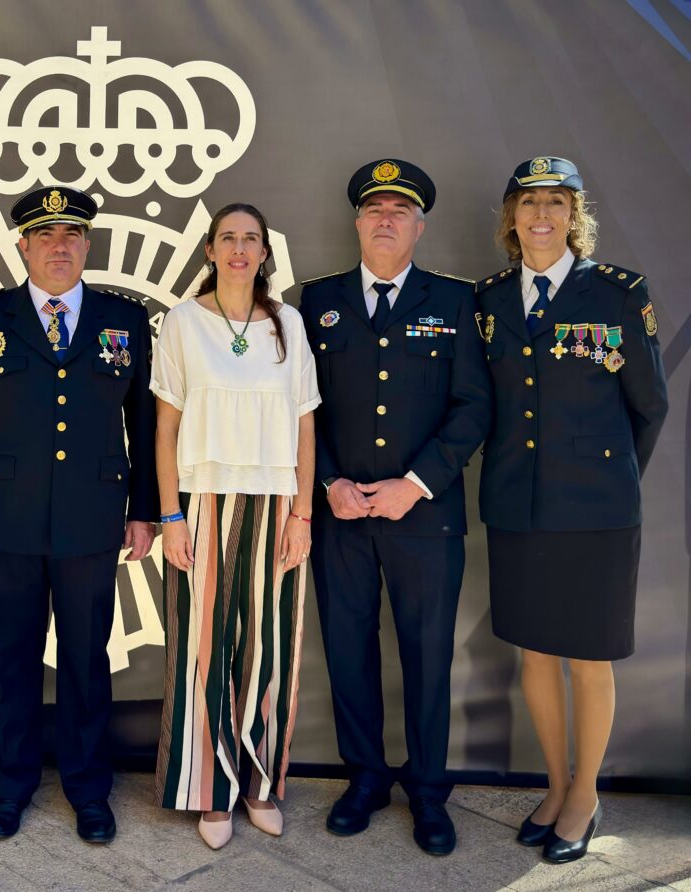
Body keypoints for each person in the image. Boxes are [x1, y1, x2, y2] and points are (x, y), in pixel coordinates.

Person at [0, 185, 157, 844]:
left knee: (87, 660)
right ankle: (13, 786)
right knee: (13, 658)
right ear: (23, 245)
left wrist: (144, 510)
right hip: (5, 517)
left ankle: (89, 789)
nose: (60, 247)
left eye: (72, 236)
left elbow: (143, 424)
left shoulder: (125, 319)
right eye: (46, 236)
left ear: (87, 244)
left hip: (93, 517)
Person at [476, 157, 668, 863]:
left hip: (596, 509)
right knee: (534, 652)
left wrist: (607, 478)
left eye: (556, 203)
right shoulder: (492, 298)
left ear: (575, 216)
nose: (541, 217)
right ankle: (555, 785)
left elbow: (649, 406)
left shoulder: (618, 295)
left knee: (588, 659)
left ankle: (585, 795)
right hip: (517, 502)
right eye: (528, 204)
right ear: (512, 218)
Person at [299, 160, 492, 855]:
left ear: (419, 225)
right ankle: (366, 779)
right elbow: (299, 408)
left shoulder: (456, 301)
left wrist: (419, 481)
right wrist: (328, 482)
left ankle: (430, 792)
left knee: (426, 657)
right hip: (342, 514)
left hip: (425, 515)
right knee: (348, 653)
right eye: (374, 209)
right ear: (356, 221)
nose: (385, 219)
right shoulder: (315, 300)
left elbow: (476, 406)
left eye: (399, 211)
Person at [152, 203, 319, 850]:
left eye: (251, 239)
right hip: (203, 501)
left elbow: (306, 424)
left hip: (277, 500)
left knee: (268, 652)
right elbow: (165, 428)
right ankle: (209, 791)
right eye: (229, 239)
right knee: (204, 654)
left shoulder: (290, 325)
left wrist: (303, 512)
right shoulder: (185, 323)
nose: (240, 249)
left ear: (265, 254)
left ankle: (259, 784)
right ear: (211, 251)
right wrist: (171, 515)